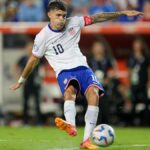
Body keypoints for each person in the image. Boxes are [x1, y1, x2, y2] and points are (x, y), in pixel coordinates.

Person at [10, 1, 143, 149]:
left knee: (94, 95)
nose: (61, 18)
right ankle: (71, 125)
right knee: (70, 91)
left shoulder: (74, 22)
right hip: (64, 71)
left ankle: (86, 141)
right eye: (58, 15)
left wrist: (122, 13)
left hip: (83, 68)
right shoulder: (42, 37)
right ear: (49, 15)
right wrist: (22, 80)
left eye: (63, 15)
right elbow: (33, 60)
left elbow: (98, 17)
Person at [15, 40, 42, 125]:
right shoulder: (24, 58)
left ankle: (38, 122)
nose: (30, 49)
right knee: (26, 102)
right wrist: (19, 76)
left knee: (37, 102)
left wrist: (41, 77)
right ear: (26, 48)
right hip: (26, 82)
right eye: (29, 47)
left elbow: (43, 68)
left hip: (36, 83)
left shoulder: (37, 58)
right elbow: (16, 66)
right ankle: (25, 121)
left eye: (31, 47)